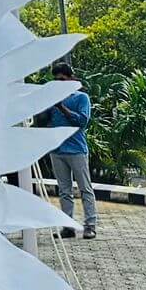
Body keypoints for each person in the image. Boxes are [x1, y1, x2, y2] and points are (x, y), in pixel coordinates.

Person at [41, 62, 97, 240]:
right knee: (64, 190)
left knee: (85, 189)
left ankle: (90, 225)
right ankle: (68, 226)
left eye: (62, 79)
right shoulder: (51, 99)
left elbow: (82, 121)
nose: (60, 83)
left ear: (71, 78)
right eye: (56, 80)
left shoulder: (81, 98)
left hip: (76, 149)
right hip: (57, 150)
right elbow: (43, 122)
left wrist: (62, 107)